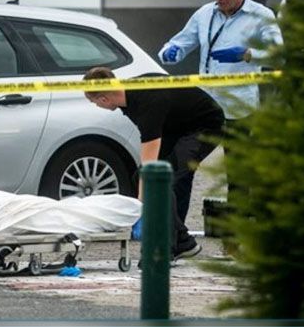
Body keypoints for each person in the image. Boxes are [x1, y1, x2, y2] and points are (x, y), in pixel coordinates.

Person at [83, 66, 225, 260]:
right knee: (141, 178)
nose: (95, 106)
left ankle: (162, 251)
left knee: (162, 181)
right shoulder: (127, 98)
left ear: (104, 99)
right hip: (176, 126)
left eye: (93, 102)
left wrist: (142, 204)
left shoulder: (146, 103)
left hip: (205, 126)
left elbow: (149, 164)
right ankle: (182, 242)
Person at [157, 0, 283, 194]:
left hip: (239, 108)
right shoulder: (204, 14)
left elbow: (279, 54)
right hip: (204, 107)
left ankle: (238, 223)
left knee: (238, 174)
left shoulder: (262, 15)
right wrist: (170, 52)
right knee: (183, 168)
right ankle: (177, 227)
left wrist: (247, 54)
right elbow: (178, 43)